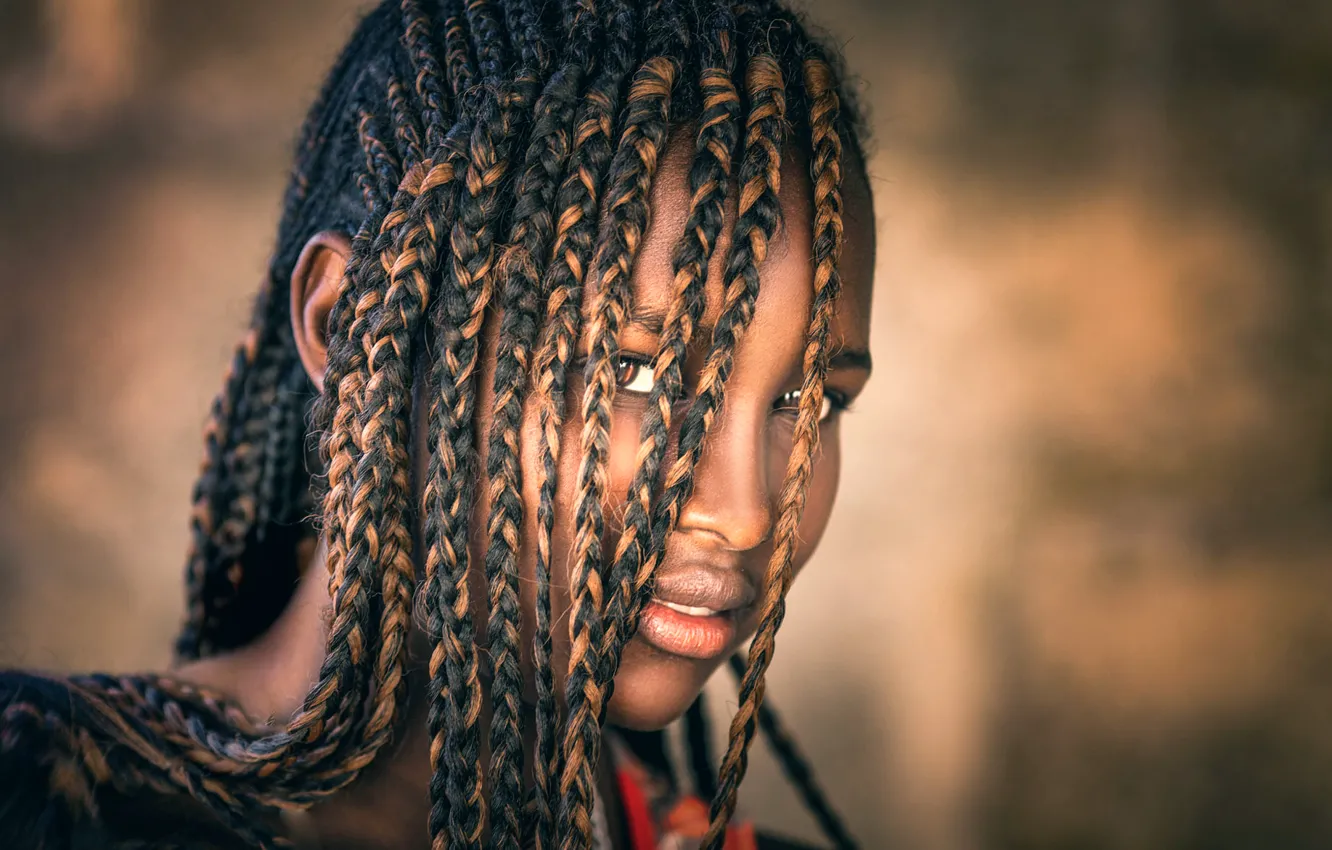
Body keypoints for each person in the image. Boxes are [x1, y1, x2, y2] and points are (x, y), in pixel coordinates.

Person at [0, 0, 876, 847]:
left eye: (810, 402)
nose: (746, 513)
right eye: (633, 371)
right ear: (352, 321)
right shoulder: (49, 801)